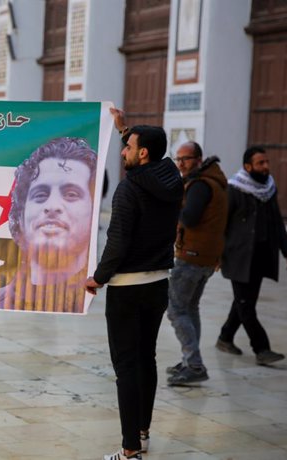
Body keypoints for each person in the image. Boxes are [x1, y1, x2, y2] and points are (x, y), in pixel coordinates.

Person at [84, 108, 183, 460]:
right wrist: (125, 129)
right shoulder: (171, 177)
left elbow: (118, 242)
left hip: (126, 289)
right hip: (157, 284)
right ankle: (142, 430)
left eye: (128, 147)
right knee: (146, 358)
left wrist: (98, 277)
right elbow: (154, 157)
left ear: (142, 154)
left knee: (126, 367)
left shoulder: (128, 191)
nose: (122, 152)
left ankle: (129, 450)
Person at [0, 137, 96, 313]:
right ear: (20, 216)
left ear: (93, 211)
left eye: (71, 194)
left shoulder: (100, 302)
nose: (52, 206)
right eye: (41, 195)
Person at [216, 146, 287, 365]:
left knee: (244, 302)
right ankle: (262, 349)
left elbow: (277, 222)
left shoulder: (269, 189)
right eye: (261, 163)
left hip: (261, 256)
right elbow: (221, 223)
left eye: (267, 162)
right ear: (247, 166)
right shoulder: (234, 189)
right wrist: (216, 254)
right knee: (246, 305)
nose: (266, 167)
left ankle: (225, 337)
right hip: (238, 256)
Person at [165, 142, 228, 386]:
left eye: (186, 159)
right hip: (206, 255)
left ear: (199, 160)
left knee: (176, 309)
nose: (181, 163)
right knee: (190, 308)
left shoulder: (200, 185)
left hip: (191, 255)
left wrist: (173, 206)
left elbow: (189, 218)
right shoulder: (215, 181)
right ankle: (189, 359)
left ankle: (194, 364)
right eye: (178, 159)